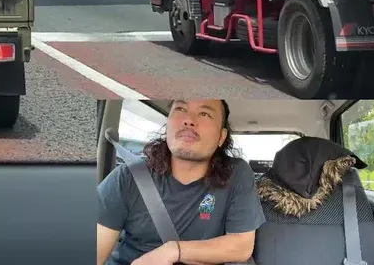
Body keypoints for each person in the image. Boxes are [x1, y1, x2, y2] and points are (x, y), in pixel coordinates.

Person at [97, 99, 264, 265]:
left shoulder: (236, 174)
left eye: (204, 114)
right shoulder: (127, 177)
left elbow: (241, 245)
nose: (189, 120)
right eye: (180, 109)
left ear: (221, 136)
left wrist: (173, 251)